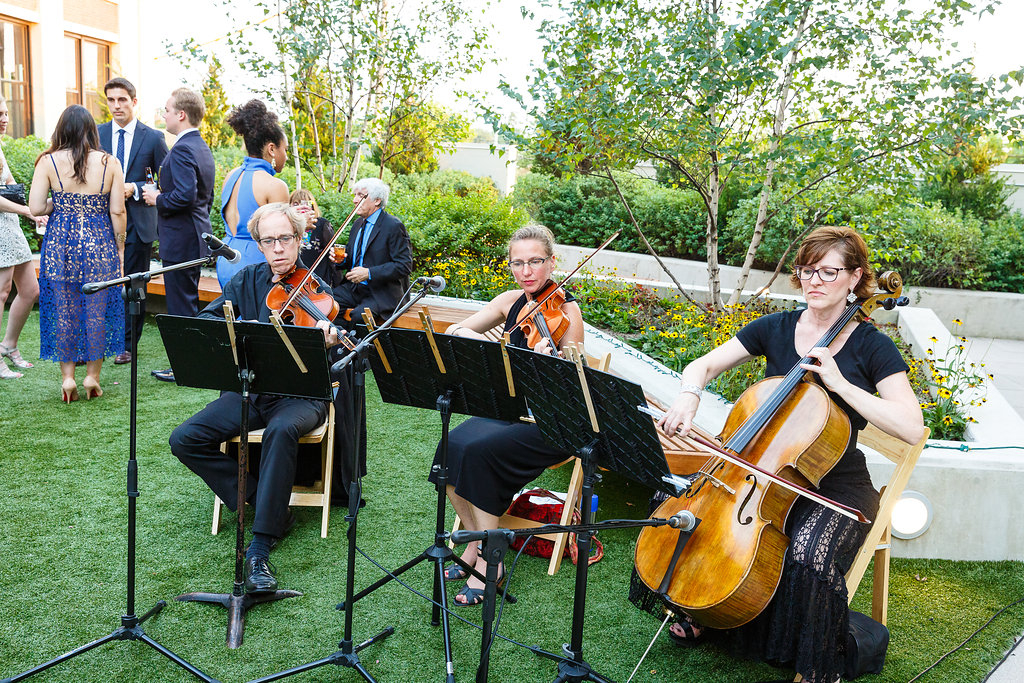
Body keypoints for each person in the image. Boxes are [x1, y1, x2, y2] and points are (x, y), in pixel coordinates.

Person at [650, 226, 925, 683]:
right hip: (761, 470)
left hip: (834, 484)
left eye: (829, 271)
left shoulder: (872, 345)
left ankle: (817, 667)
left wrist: (839, 384)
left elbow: (911, 427)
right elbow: (703, 365)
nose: (814, 281)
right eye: (807, 270)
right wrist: (688, 395)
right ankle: (705, 610)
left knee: (809, 553)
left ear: (855, 278)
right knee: (679, 506)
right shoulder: (776, 327)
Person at [169, 202, 340, 594]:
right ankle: (265, 503)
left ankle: (260, 545)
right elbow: (208, 320)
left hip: (300, 395)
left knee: (282, 429)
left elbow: (330, 356)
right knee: (185, 439)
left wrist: (327, 341)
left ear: (299, 239)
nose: (277, 248)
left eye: (285, 238)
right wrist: (236, 329)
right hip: (251, 391)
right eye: (268, 240)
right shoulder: (245, 280)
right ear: (259, 245)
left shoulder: (317, 289)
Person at [427, 225, 585, 606]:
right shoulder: (509, 302)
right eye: (518, 263)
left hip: (551, 420)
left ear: (551, 262)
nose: (526, 271)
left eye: (535, 261)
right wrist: (477, 339)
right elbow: (457, 330)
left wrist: (549, 362)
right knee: (450, 447)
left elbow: (574, 381)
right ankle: (474, 542)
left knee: (480, 453)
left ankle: (489, 559)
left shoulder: (567, 311)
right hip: (510, 411)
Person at [29, 105, 127, 402]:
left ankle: (68, 378)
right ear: (92, 130)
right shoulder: (110, 162)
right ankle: (92, 376)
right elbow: (118, 211)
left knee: (65, 311)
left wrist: (60, 202)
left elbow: (36, 207)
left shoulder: (47, 161)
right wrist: (120, 247)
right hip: (99, 243)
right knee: (97, 310)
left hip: (61, 243)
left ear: (61, 130)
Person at [143, 87, 216, 383]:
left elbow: (186, 196)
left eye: (167, 110)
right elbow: (204, 198)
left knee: (180, 305)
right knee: (185, 301)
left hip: (182, 239)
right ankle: (191, 363)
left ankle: (186, 367)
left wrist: (156, 198)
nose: (164, 115)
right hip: (193, 235)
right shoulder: (200, 146)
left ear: (181, 114)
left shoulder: (184, 148)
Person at [98, 77, 169, 365]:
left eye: (122, 99)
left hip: (139, 223)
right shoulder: (97, 134)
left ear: (134, 102)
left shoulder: (153, 138)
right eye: (111, 100)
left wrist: (135, 188)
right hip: (102, 221)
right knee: (102, 283)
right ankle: (100, 340)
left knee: (134, 285)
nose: (116, 105)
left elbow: (165, 181)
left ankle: (128, 345)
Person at [216, 100, 289, 288]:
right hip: (255, 266)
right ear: (271, 149)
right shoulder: (275, 186)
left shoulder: (231, 175)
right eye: (285, 149)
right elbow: (280, 238)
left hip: (226, 259)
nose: (286, 156)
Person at [0, 95, 46, 379]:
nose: (5, 119)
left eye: (6, 113)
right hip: (1, 227)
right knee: (2, 292)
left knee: (30, 290)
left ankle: (8, 346)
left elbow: (9, 186)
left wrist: (36, 209)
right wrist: (28, 211)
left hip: (10, 225)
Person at [331, 177, 411, 322]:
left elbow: (404, 265)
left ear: (377, 201)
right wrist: (341, 260)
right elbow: (354, 258)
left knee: (360, 316)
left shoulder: (393, 226)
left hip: (382, 292)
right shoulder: (358, 224)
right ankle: (341, 336)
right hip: (355, 288)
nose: (355, 200)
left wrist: (369, 273)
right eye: (355, 195)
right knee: (327, 304)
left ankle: (355, 337)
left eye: (361, 196)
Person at [290, 188, 340, 287]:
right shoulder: (287, 225)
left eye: (305, 203)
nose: (300, 207)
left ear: (312, 206)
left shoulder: (322, 224)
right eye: (295, 204)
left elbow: (332, 254)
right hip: (294, 276)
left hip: (318, 277)